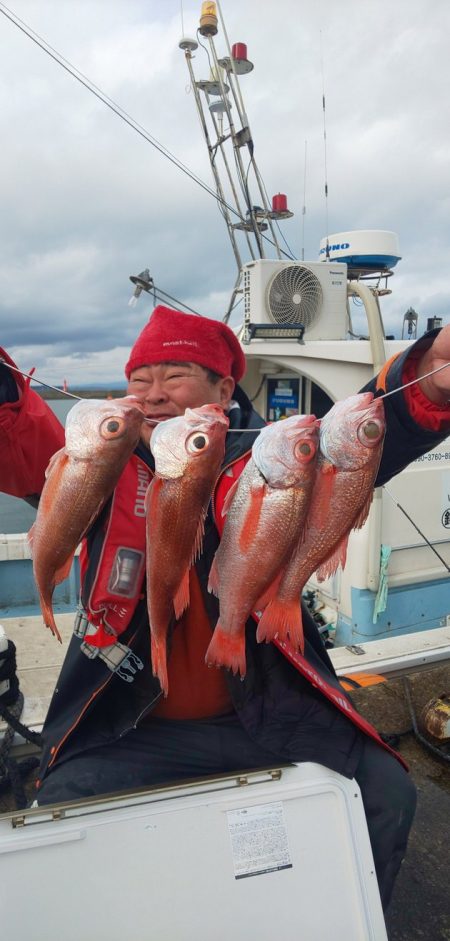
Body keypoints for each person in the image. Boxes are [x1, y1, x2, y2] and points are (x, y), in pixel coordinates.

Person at [1, 304, 450, 910]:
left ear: (222, 387)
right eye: (140, 379)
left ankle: (342, 917)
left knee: (388, 793)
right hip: (124, 724)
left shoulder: (274, 460)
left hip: (267, 711)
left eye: (175, 374)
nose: (153, 394)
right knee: (60, 821)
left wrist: (427, 374)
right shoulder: (100, 463)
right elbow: (27, 445)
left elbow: (360, 436)